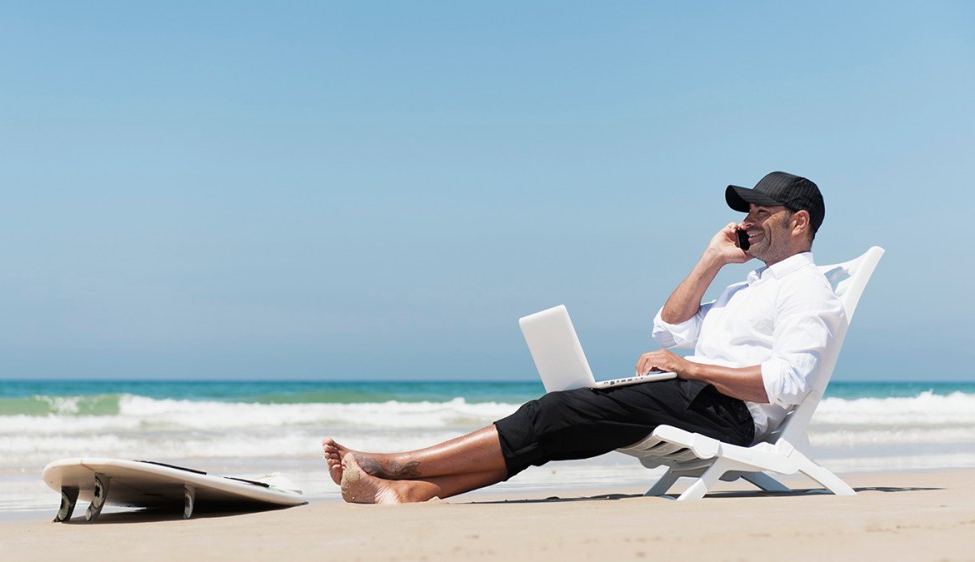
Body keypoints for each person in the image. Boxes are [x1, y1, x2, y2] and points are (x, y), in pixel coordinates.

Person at [323, 171, 845, 504]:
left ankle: (392, 464)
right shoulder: (746, 287)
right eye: (745, 213)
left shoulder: (806, 289)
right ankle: (410, 492)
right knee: (561, 423)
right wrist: (710, 259)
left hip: (730, 415)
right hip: (698, 399)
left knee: (556, 411)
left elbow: (786, 383)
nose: (747, 222)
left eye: (761, 213)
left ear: (798, 222)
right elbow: (671, 325)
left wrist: (688, 368)